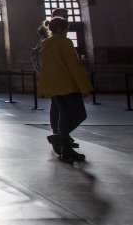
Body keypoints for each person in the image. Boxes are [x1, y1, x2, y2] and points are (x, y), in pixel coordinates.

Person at [38, 17, 92, 163]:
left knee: (64, 115)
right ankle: (61, 139)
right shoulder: (64, 42)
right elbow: (73, 67)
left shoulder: (45, 44)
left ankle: (66, 151)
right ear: (62, 29)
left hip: (55, 85)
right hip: (68, 85)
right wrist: (84, 87)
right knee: (80, 114)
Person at [33, 8, 80, 155]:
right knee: (63, 109)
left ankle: (62, 136)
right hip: (58, 79)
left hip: (58, 79)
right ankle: (60, 135)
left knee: (62, 109)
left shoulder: (55, 39)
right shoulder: (49, 39)